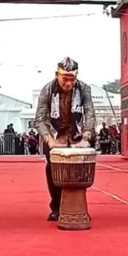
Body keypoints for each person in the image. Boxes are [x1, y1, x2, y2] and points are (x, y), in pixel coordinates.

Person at [34, 57, 95, 221]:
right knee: (52, 169)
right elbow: (39, 119)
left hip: (77, 133)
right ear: (57, 75)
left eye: (72, 79)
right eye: (65, 79)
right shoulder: (47, 90)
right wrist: (49, 139)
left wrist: (87, 136)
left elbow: (89, 113)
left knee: (79, 171)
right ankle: (56, 206)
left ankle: (77, 205)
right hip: (54, 134)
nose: (68, 83)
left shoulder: (83, 89)